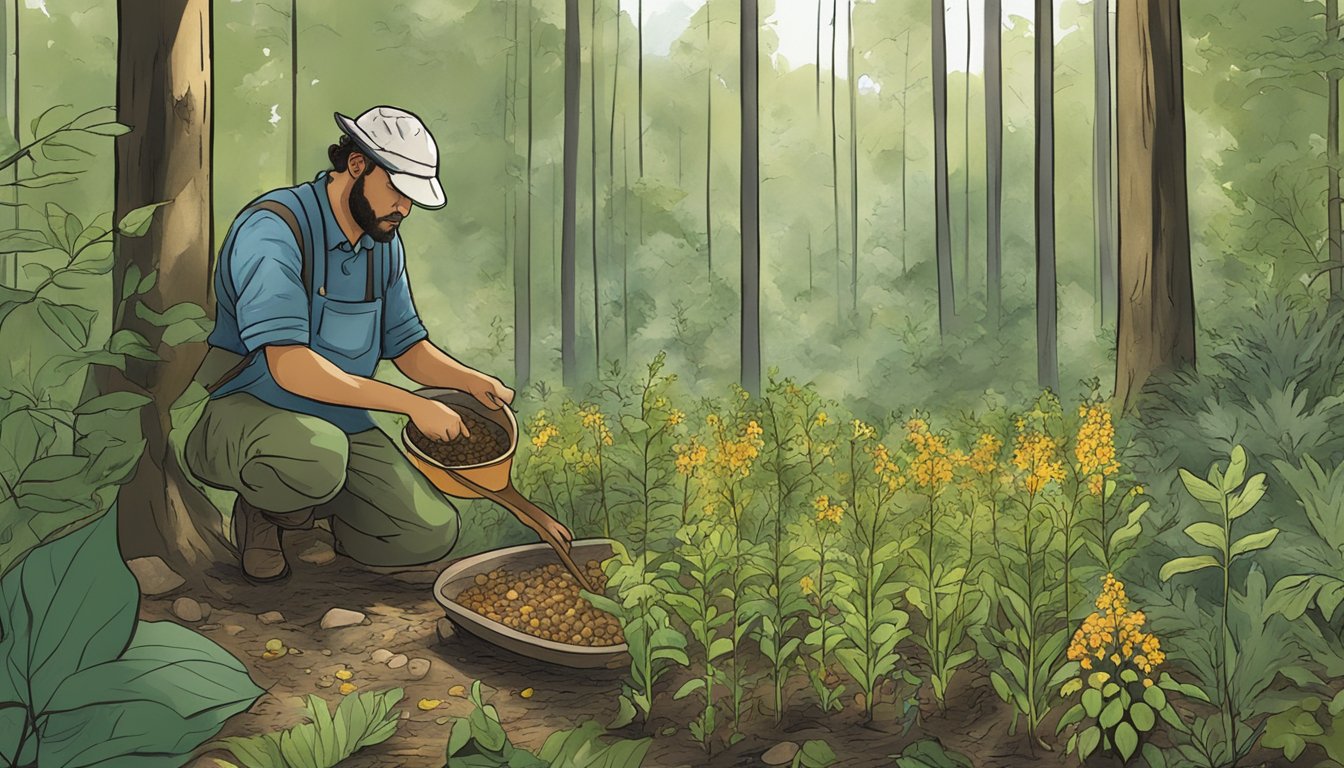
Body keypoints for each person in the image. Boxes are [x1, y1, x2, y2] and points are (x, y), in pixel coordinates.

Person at [184, 105, 572, 583]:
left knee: (427, 532)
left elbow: (406, 347)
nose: (404, 209)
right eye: (397, 191)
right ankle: (264, 513)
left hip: (339, 424)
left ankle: (312, 519)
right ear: (356, 165)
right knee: (316, 455)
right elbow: (291, 368)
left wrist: (469, 381)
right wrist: (412, 406)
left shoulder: (381, 242)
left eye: (412, 198)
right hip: (242, 416)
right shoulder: (275, 229)